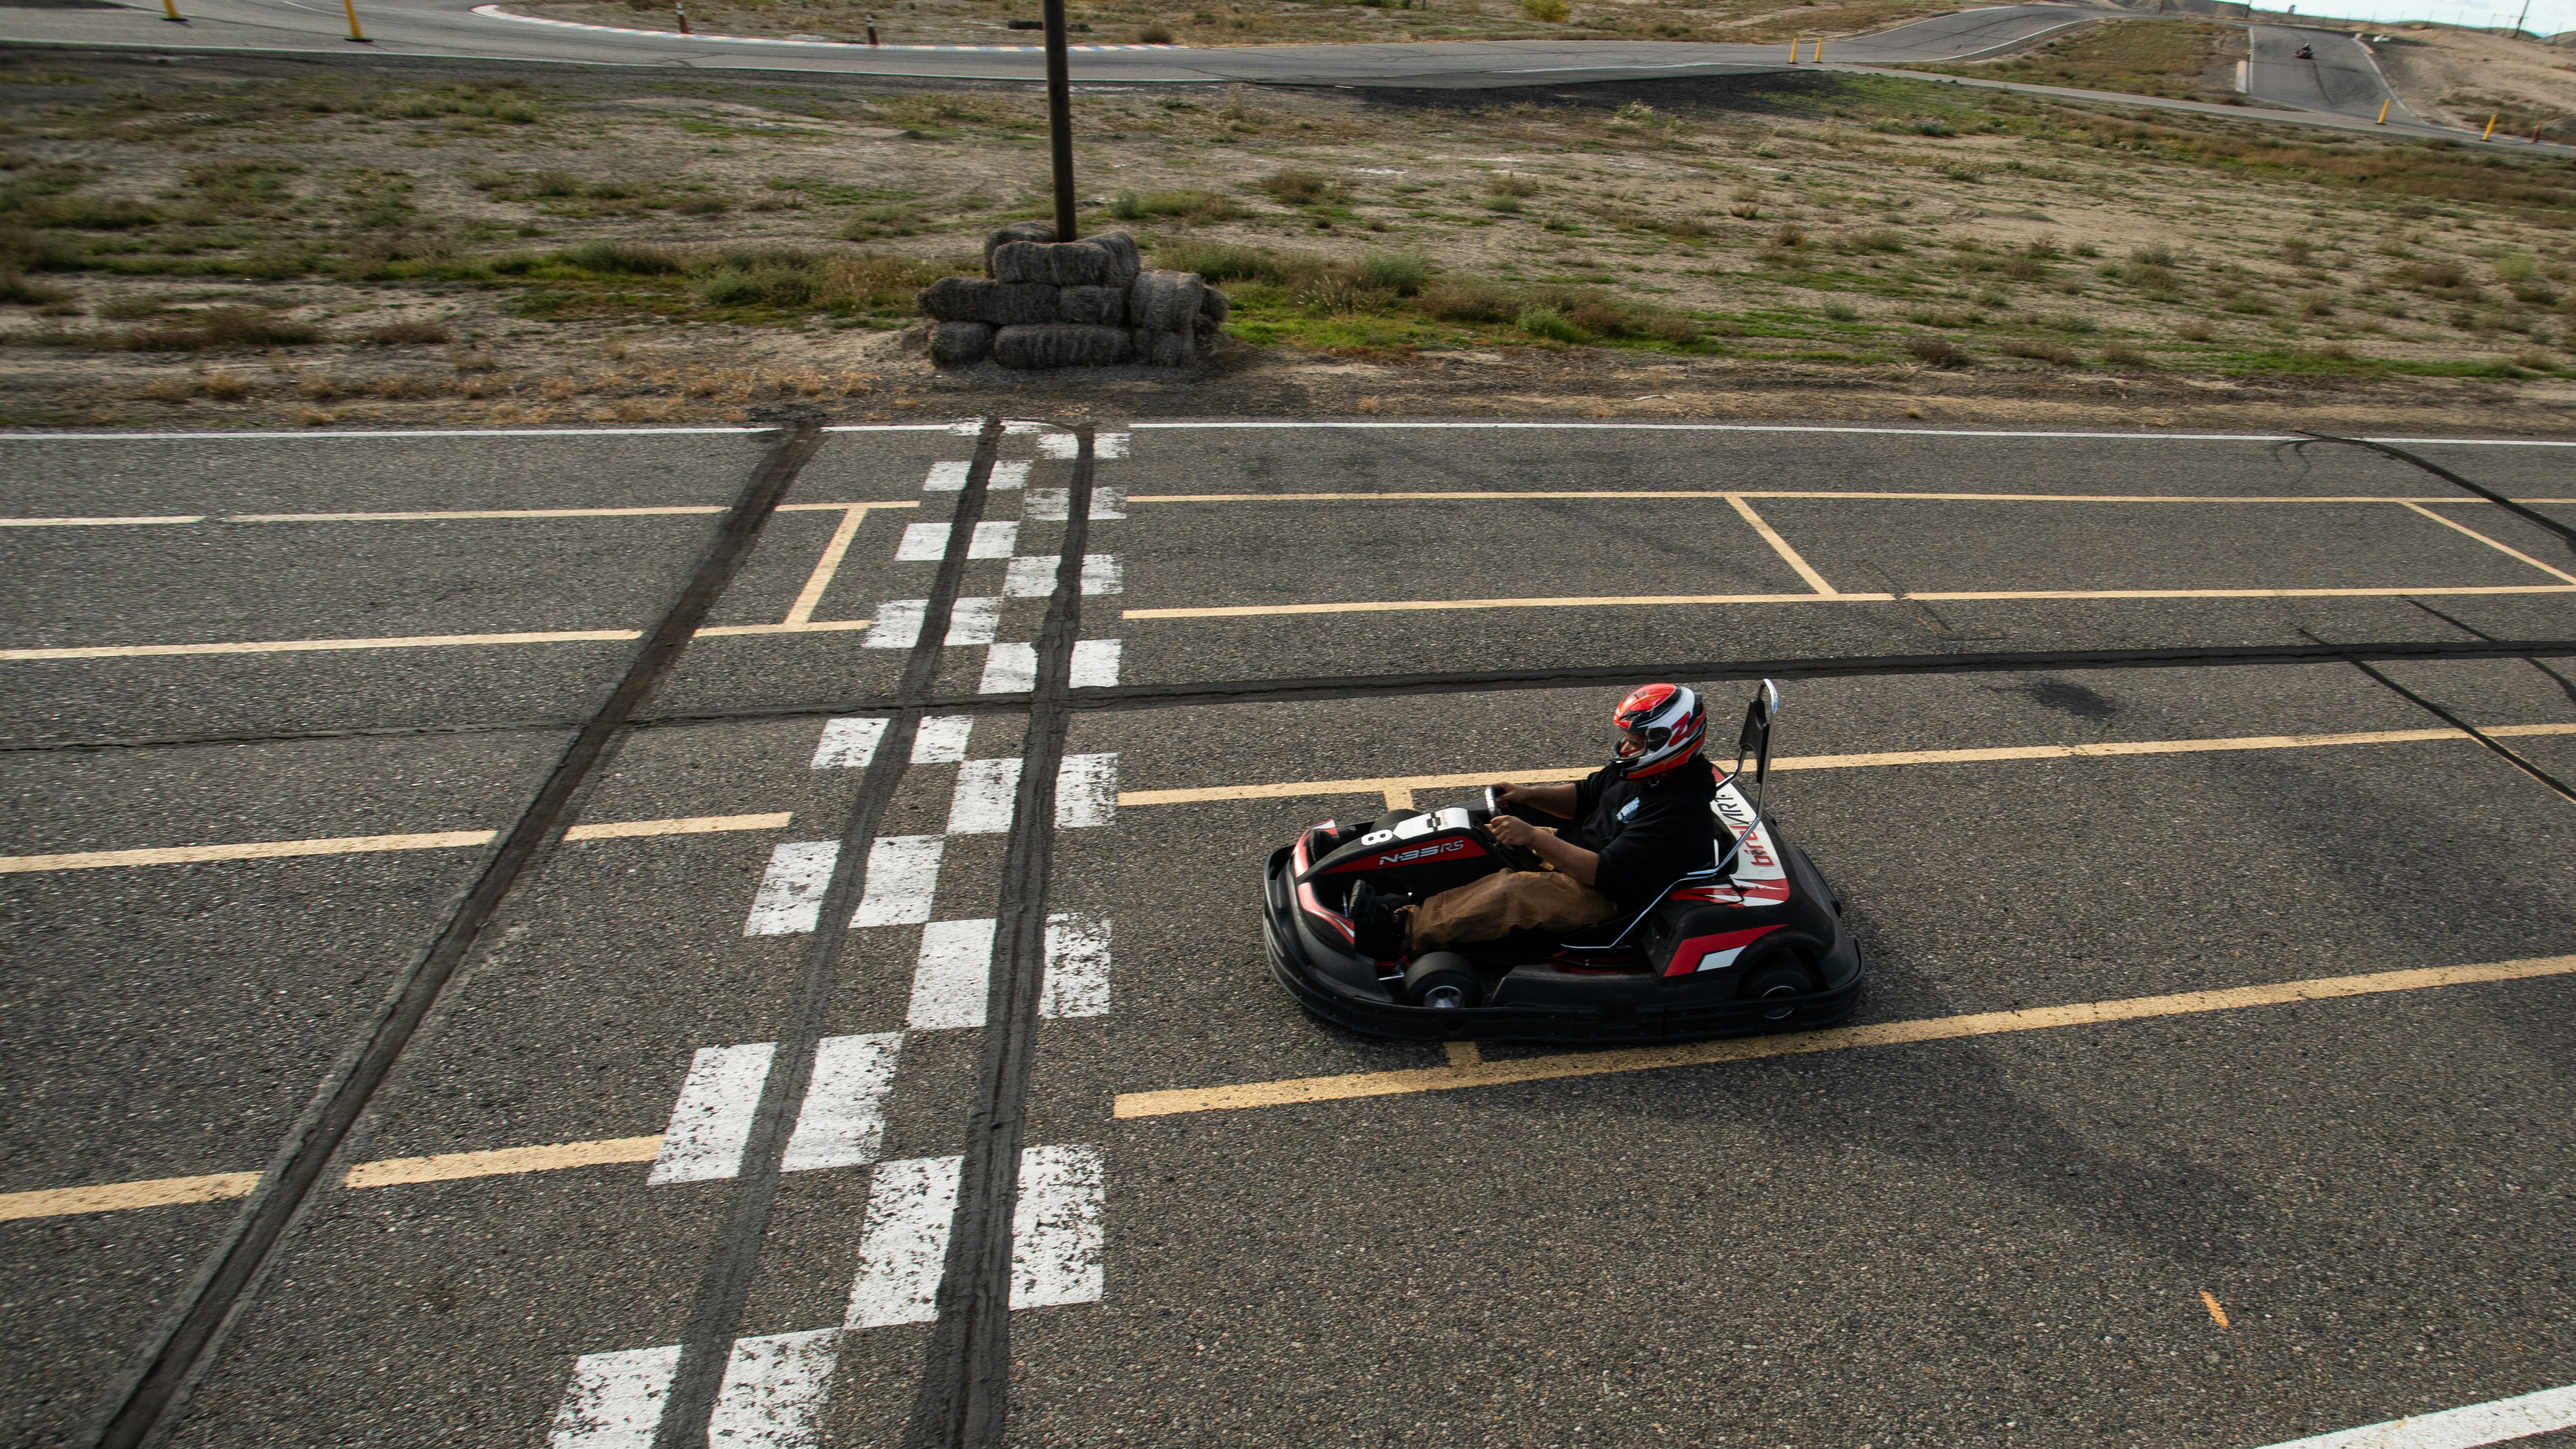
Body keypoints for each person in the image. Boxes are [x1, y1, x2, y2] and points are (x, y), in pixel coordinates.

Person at [1350, 683, 1721, 959]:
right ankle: (1409, 889)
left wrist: (1535, 837)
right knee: (1478, 838)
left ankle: (1399, 933)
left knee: (1514, 892)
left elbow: (1605, 873)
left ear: (1669, 740)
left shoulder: (1679, 811)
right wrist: (1529, 795)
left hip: (1607, 898)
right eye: (1626, 737)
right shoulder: (1643, 772)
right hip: (1579, 853)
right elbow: (1586, 795)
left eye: (1636, 741)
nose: (1625, 748)